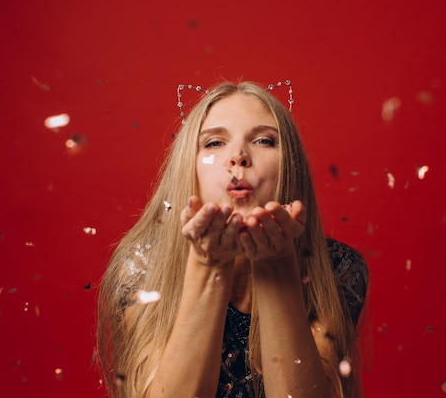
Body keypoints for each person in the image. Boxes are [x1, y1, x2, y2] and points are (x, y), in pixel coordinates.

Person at [97, 81, 368, 398]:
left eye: (264, 140)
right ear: (189, 167)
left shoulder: (338, 268)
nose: (238, 156)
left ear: (290, 168)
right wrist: (207, 263)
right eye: (213, 144)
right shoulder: (141, 266)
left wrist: (276, 263)